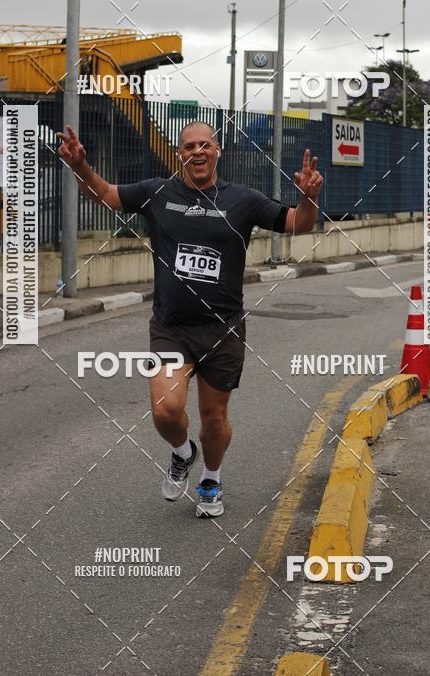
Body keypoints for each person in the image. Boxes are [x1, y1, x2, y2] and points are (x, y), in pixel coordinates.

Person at [57, 120, 323, 518]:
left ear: (218, 151)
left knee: (213, 418)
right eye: (188, 147)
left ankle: (211, 480)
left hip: (223, 330)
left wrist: (307, 198)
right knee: (165, 410)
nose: (196, 152)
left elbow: (299, 224)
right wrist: (80, 166)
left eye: (204, 145)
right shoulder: (157, 193)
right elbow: (107, 195)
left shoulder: (243, 200)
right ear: (179, 155)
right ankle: (183, 453)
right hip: (172, 327)